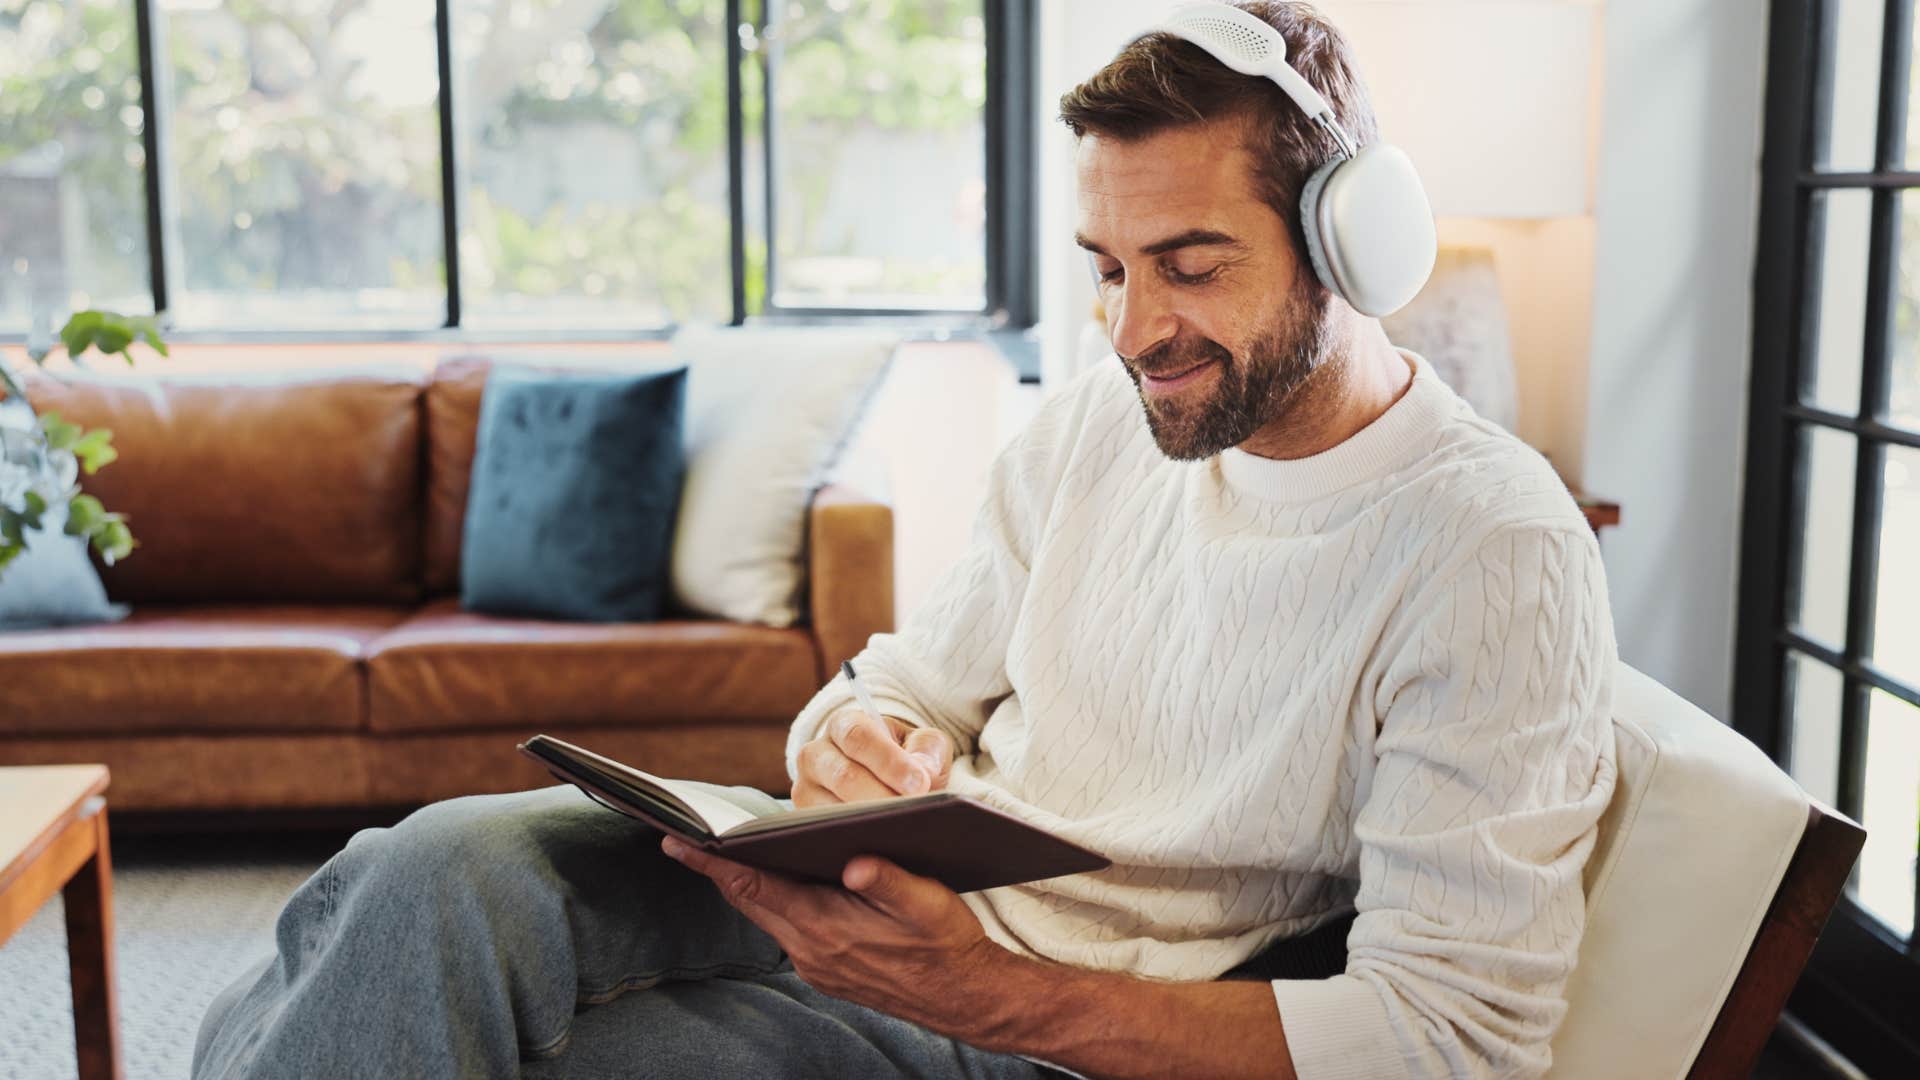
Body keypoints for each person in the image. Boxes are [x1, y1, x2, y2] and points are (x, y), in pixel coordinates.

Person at [193, 3, 1617, 1077]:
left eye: (1190, 266)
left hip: (1045, 1031)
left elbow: (1453, 1039)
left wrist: (983, 996)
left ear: (1352, 244)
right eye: (1108, 271)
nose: (1133, 332)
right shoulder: (1099, 424)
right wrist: (855, 746)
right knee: (422, 873)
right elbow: (900, 686)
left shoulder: (1491, 550)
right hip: (891, 907)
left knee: (381, 1011)